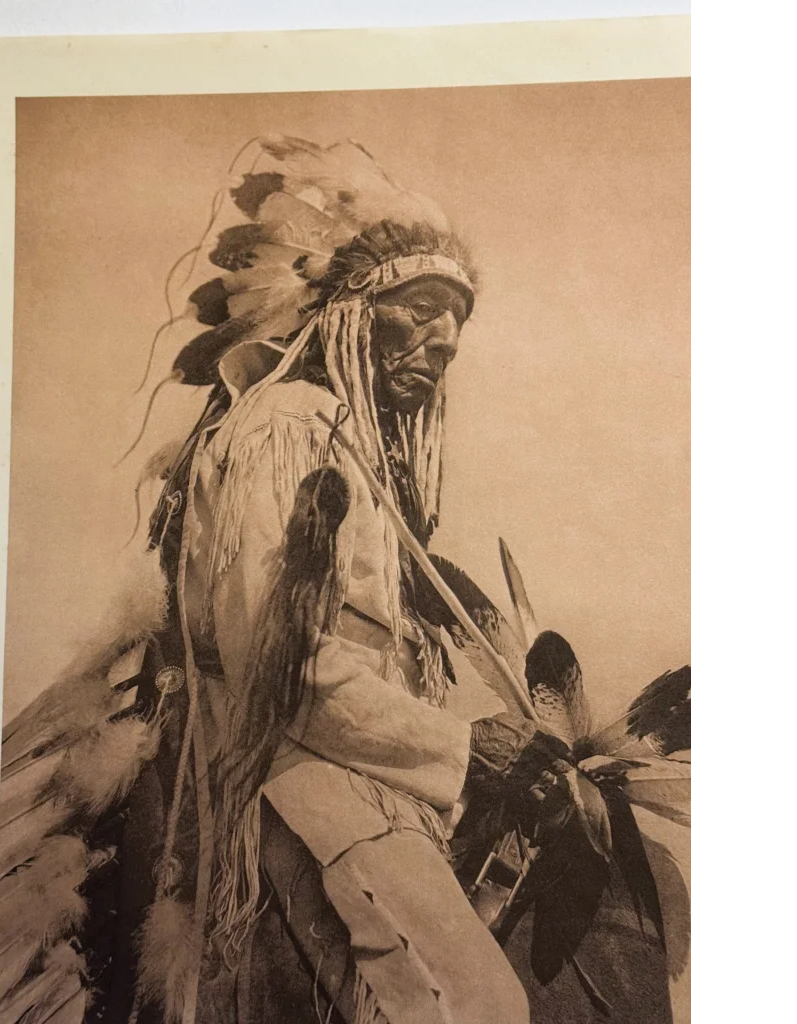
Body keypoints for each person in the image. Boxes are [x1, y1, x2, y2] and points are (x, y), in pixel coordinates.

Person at [142, 137, 573, 1024]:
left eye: (454, 323)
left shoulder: (352, 453)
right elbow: (278, 666)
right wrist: (463, 752)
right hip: (300, 780)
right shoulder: (290, 426)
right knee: (476, 1007)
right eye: (418, 310)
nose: (444, 340)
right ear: (347, 312)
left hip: (364, 787)